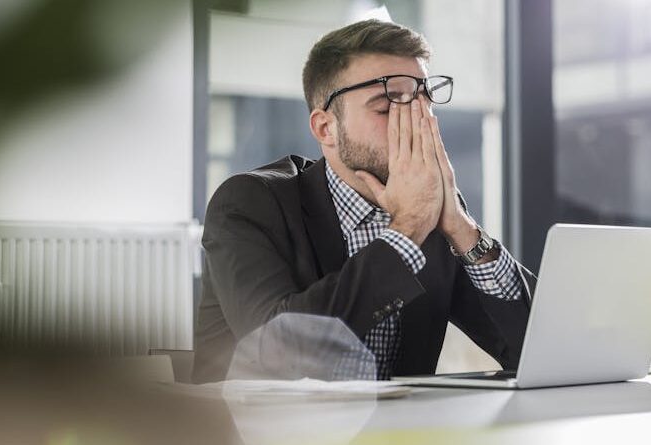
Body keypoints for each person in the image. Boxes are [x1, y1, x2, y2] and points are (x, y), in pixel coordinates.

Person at [192, 19, 535, 383]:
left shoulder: (433, 210)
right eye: (388, 108)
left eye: (423, 103)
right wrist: (406, 232)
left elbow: (533, 347)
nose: (417, 123)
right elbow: (281, 352)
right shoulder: (248, 203)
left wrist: (463, 231)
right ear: (326, 128)